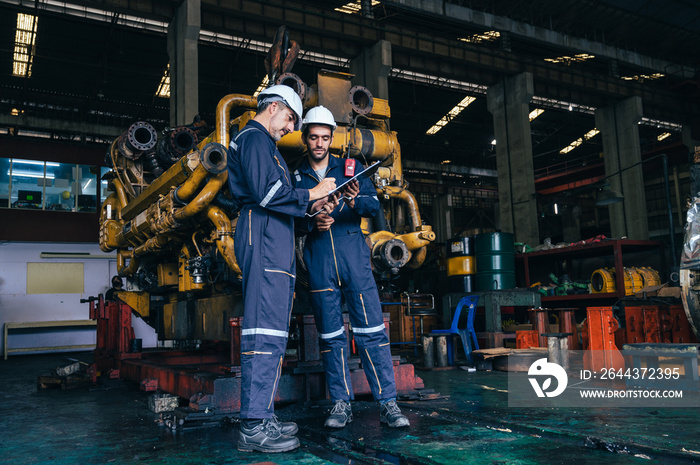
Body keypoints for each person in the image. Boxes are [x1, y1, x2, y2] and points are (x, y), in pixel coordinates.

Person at [227, 85, 337, 453]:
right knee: (262, 330)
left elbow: (280, 200)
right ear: (274, 108)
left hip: (276, 239)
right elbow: (270, 194)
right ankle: (253, 425)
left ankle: (262, 414)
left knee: (273, 332)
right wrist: (313, 192)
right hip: (264, 235)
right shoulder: (255, 139)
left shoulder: (264, 144)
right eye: (289, 118)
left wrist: (311, 214)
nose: (289, 127)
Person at [292, 105, 410, 430]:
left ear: (331, 139)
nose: (319, 143)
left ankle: (387, 403)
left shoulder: (350, 167)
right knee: (331, 336)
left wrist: (356, 199)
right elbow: (290, 222)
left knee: (371, 331)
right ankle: (340, 404)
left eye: (324, 138)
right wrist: (312, 222)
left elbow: (373, 207)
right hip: (318, 259)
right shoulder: (296, 177)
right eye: (313, 137)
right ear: (306, 138)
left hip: (353, 255)